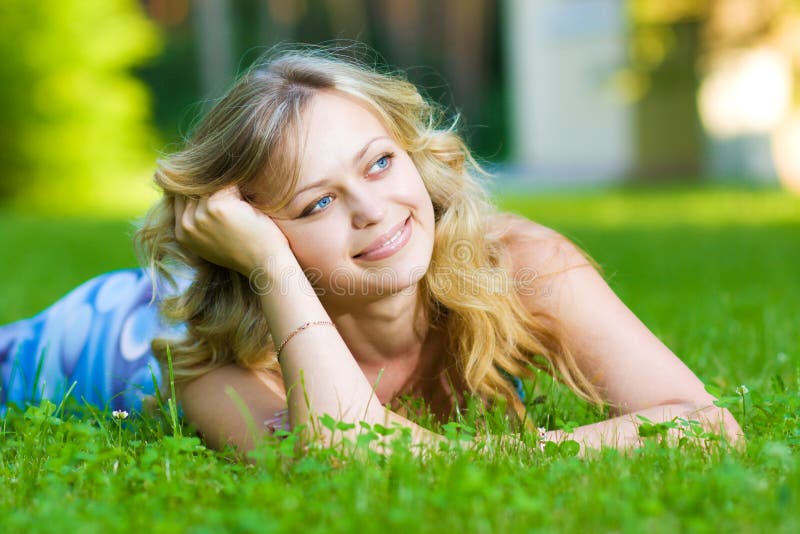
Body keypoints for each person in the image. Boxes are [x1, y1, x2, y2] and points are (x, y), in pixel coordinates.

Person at [0, 47, 742, 454]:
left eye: (380, 162)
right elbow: (346, 463)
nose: (373, 210)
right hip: (107, 335)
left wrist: (511, 455)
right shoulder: (210, 350)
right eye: (316, 202)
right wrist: (269, 269)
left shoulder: (521, 263)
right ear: (256, 236)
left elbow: (710, 427)